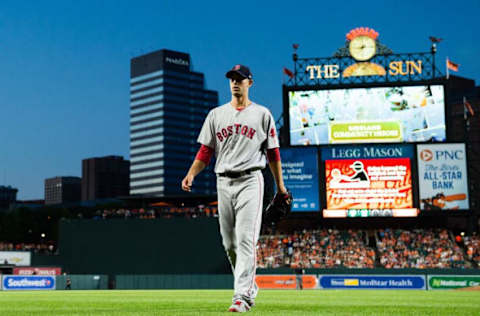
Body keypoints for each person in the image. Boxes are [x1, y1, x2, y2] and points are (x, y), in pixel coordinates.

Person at [182, 64, 289, 313]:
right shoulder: (216, 115)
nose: (235, 83)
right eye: (231, 79)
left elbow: (273, 153)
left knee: (245, 240)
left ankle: (242, 296)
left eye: (240, 79)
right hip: (223, 182)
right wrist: (191, 173)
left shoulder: (262, 114)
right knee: (229, 244)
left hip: (251, 180)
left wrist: (281, 188)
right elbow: (206, 151)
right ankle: (249, 286)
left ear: (250, 83)